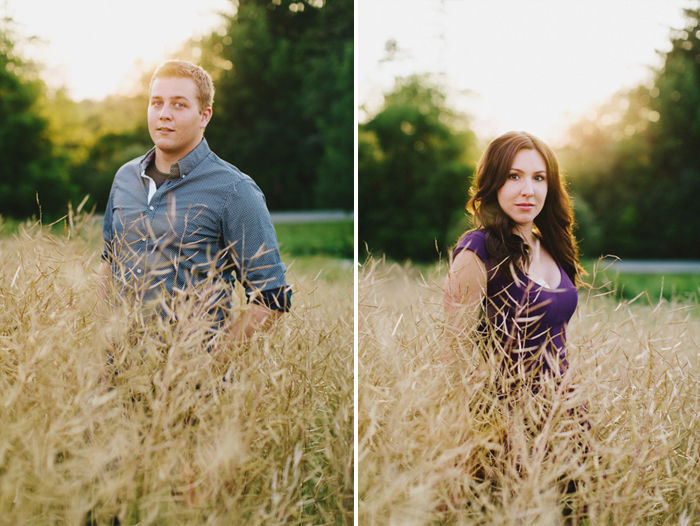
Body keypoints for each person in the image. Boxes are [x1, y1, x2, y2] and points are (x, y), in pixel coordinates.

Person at [97, 60, 290, 348]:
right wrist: (105, 339)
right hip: (117, 378)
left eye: (179, 105)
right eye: (157, 103)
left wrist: (209, 366)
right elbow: (109, 263)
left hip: (191, 385)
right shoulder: (125, 177)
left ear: (204, 116)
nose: (164, 114)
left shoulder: (234, 190)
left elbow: (272, 299)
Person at [443, 131, 584, 381]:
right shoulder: (476, 250)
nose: (528, 190)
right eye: (514, 176)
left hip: (565, 413)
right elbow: (454, 358)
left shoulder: (552, 246)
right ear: (493, 181)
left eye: (539, 178)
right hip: (508, 415)